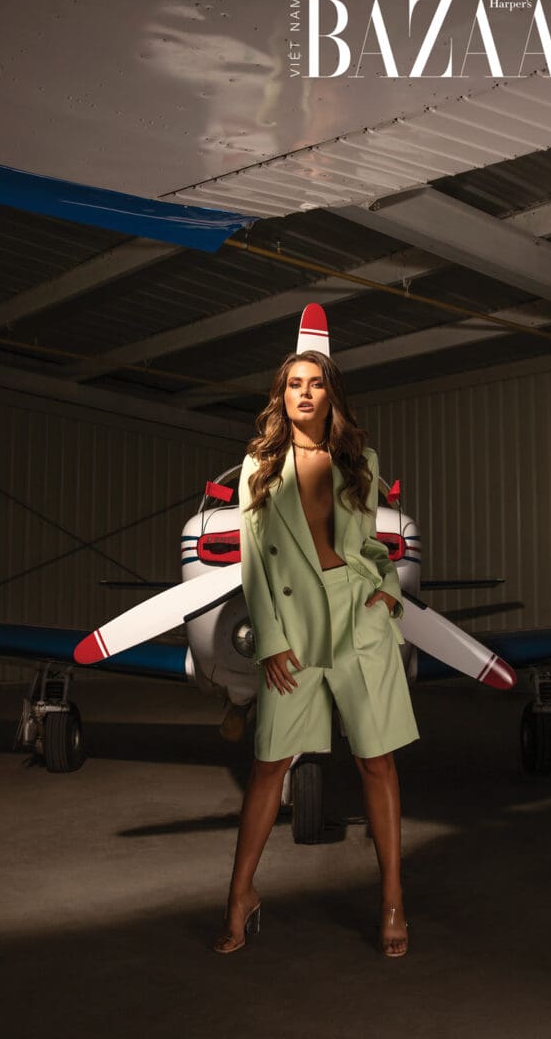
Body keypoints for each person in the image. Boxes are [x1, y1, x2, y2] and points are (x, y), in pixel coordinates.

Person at [212, 349, 420, 957]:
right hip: (292, 626)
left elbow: (371, 547)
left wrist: (385, 594)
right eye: (294, 385)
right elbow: (254, 564)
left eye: (316, 384)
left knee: (377, 763)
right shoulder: (260, 465)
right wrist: (270, 640)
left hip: (360, 619)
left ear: (332, 395)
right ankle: (239, 896)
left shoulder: (361, 460)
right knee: (270, 766)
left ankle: (392, 901)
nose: (304, 394)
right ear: (282, 397)